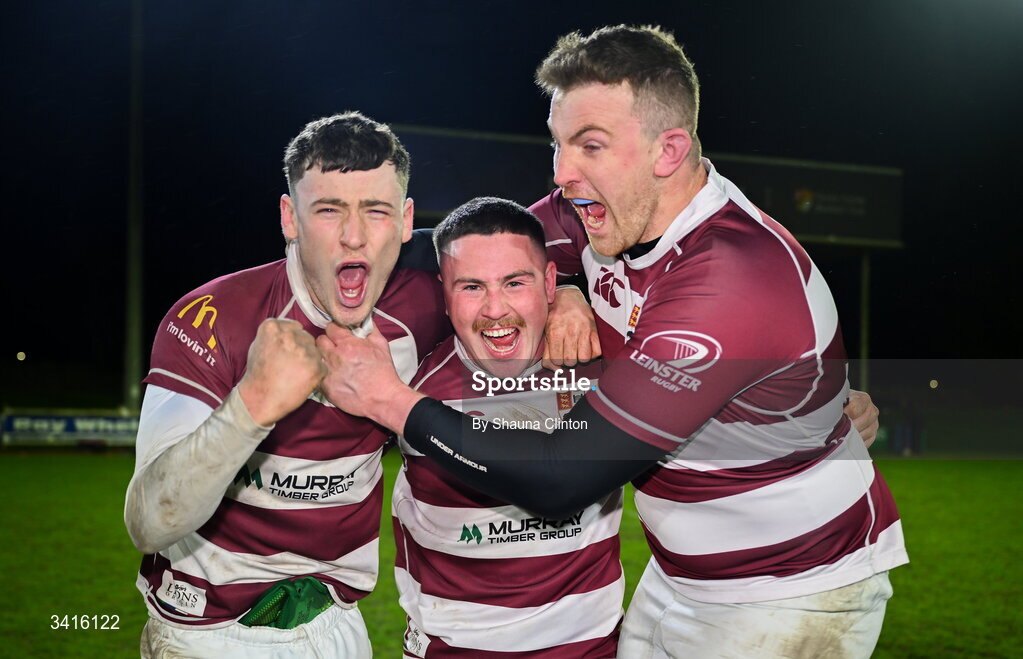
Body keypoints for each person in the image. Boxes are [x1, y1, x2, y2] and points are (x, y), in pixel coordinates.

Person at [317, 25, 907, 658]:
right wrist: (563, 285)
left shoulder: (731, 275)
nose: (564, 174)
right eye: (559, 145)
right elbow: (477, 252)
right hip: (675, 575)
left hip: (790, 589)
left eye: (590, 146)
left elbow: (566, 473)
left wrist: (392, 402)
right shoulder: (598, 212)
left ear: (668, 151)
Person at [123, 111, 451, 657]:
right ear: (290, 217)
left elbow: (514, 254)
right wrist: (250, 407)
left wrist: (562, 293)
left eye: (376, 210)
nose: (354, 235)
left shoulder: (422, 305)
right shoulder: (214, 316)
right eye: (329, 210)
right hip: (209, 635)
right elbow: (148, 524)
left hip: (340, 626)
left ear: (405, 220)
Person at [392, 197, 623, 657]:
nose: (496, 310)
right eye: (472, 287)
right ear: (444, 292)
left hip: (591, 650)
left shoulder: (602, 359)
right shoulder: (408, 378)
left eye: (515, 282)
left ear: (550, 281)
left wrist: (577, 294)